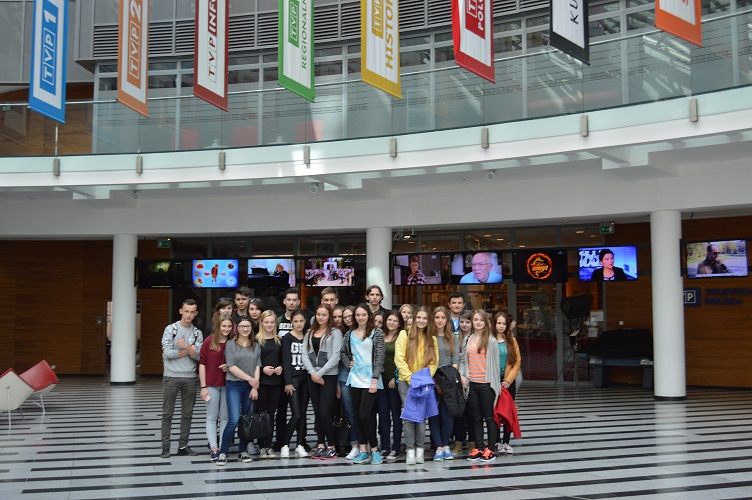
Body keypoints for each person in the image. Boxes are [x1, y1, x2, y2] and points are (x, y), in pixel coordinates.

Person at [341, 304, 385, 465]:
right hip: (355, 379)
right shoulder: (349, 334)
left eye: (363, 314)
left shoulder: (377, 333)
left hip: (371, 380)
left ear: (368, 316)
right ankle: (363, 451)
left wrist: (375, 378)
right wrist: (348, 363)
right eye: (358, 315)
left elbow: (380, 356)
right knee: (357, 416)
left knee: (365, 414)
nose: (360, 317)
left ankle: (375, 450)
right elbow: (343, 352)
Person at [395, 306, 439, 465]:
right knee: (409, 417)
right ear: (413, 319)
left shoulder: (432, 339)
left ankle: (420, 450)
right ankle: (410, 450)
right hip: (406, 382)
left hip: (423, 383)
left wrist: (423, 379)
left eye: (424, 318)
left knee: (421, 417)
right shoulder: (404, 334)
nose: (421, 321)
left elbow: (434, 362)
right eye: (418, 317)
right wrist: (410, 378)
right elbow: (399, 358)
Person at [160, 299, 204, 458]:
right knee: (167, 413)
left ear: (196, 313)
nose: (189, 315)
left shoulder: (197, 333)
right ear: (181, 311)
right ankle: (165, 446)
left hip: (190, 378)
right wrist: (189, 350)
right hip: (171, 376)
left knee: (187, 414)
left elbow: (199, 356)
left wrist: (186, 346)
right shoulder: (170, 329)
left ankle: (183, 445)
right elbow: (167, 353)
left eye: (192, 312)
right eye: (186, 311)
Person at [216, 316, 261, 466]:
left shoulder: (255, 346)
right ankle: (223, 452)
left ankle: (243, 450)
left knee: (245, 420)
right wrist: (250, 379)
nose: (245, 329)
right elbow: (231, 366)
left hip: (250, 387)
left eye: (248, 326)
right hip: (234, 385)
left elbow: (257, 367)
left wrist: (254, 387)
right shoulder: (230, 344)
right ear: (237, 328)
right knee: (234, 419)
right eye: (242, 326)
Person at [302, 304, 343, 460]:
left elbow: (336, 356)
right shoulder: (309, 332)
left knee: (325, 411)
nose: (320, 317)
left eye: (324, 314)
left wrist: (320, 373)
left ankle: (331, 446)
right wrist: (313, 373)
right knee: (317, 411)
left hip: (328, 376)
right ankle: (320, 444)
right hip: (312, 376)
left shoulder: (335, 333)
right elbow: (304, 355)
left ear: (329, 316)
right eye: (318, 314)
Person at [459, 309, 500, 463]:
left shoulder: (491, 341)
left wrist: (496, 386)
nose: (478, 322)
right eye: (475, 319)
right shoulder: (467, 340)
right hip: (472, 384)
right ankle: (479, 447)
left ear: (486, 322)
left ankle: (491, 449)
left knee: (489, 418)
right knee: (475, 418)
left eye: (481, 320)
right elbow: (463, 360)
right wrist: (462, 375)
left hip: (487, 385)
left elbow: (495, 365)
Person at [199, 314, 233, 462]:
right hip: (211, 384)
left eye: (229, 326)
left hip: (228, 384)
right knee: (212, 417)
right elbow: (202, 365)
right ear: (218, 326)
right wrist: (203, 386)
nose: (226, 329)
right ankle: (214, 448)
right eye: (224, 326)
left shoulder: (233, 342)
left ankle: (222, 447)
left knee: (225, 417)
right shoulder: (208, 341)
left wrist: (229, 366)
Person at [428, 306, 460, 461]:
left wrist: (447, 383)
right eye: (437, 317)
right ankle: (439, 446)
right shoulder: (428, 338)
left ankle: (446, 444)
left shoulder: (453, 338)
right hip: (431, 381)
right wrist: (435, 383)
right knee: (434, 415)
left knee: (448, 415)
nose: (440, 320)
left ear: (447, 320)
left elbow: (455, 361)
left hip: (448, 382)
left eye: (443, 318)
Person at [280, 310, 310, 458]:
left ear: (305, 322)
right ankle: (285, 444)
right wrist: (288, 382)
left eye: (301, 321)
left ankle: (299, 445)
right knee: (296, 414)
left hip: (306, 379)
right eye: (296, 321)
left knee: (303, 414)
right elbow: (285, 360)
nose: (298, 324)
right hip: (293, 379)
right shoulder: (287, 338)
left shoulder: (308, 337)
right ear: (291, 322)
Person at [376, 310, 404, 461]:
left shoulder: (402, 336)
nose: (391, 323)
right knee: (383, 415)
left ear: (399, 324)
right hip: (380, 380)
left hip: (395, 381)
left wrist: (395, 376)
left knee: (396, 414)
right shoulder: (380, 335)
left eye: (395, 321)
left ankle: (396, 447)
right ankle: (385, 446)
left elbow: (404, 358)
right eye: (389, 320)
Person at [492, 311, 521, 455]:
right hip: (493, 381)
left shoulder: (511, 340)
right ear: (494, 324)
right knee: (495, 412)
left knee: (508, 412)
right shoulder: (489, 340)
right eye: (499, 323)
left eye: (504, 323)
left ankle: (506, 442)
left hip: (508, 382)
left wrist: (509, 380)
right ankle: (496, 442)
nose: (501, 326)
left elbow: (517, 361)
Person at [256, 310, 283, 459]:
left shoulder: (279, 340)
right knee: (262, 415)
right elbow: (252, 362)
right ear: (261, 323)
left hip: (275, 383)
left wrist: (280, 368)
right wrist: (262, 369)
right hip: (261, 382)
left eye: (272, 322)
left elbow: (282, 359)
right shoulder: (256, 340)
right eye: (266, 322)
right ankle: (261, 446)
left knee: (271, 415)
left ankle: (269, 446)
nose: (269, 325)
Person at [337, 304, 360, 459]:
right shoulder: (340, 334)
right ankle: (354, 445)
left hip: (362, 378)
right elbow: (340, 358)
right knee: (350, 414)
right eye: (344, 317)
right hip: (345, 378)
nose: (347, 319)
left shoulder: (364, 333)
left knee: (362, 413)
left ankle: (366, 444)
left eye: (350, 316)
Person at [451, 309, 475, 455]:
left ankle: (473, 442)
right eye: (462, 322)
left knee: (473, 413)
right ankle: (458, 442)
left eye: (467, 322)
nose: (464, 325)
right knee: (459, 413)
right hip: (458, 379)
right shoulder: (455, 337)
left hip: (474, 378)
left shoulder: (476, 338)